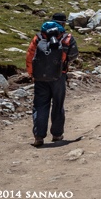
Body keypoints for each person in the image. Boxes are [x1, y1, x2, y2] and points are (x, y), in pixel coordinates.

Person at [26, 12, 79, 147]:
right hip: (59, 76)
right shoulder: (67, 37)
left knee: (40, 105)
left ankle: (39, 136)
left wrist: (32, 74)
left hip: (40, 77)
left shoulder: (38, 37)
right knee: (58, 104)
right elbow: (74, 55)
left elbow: (30, 56)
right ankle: (57, 134)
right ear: (63, 23)